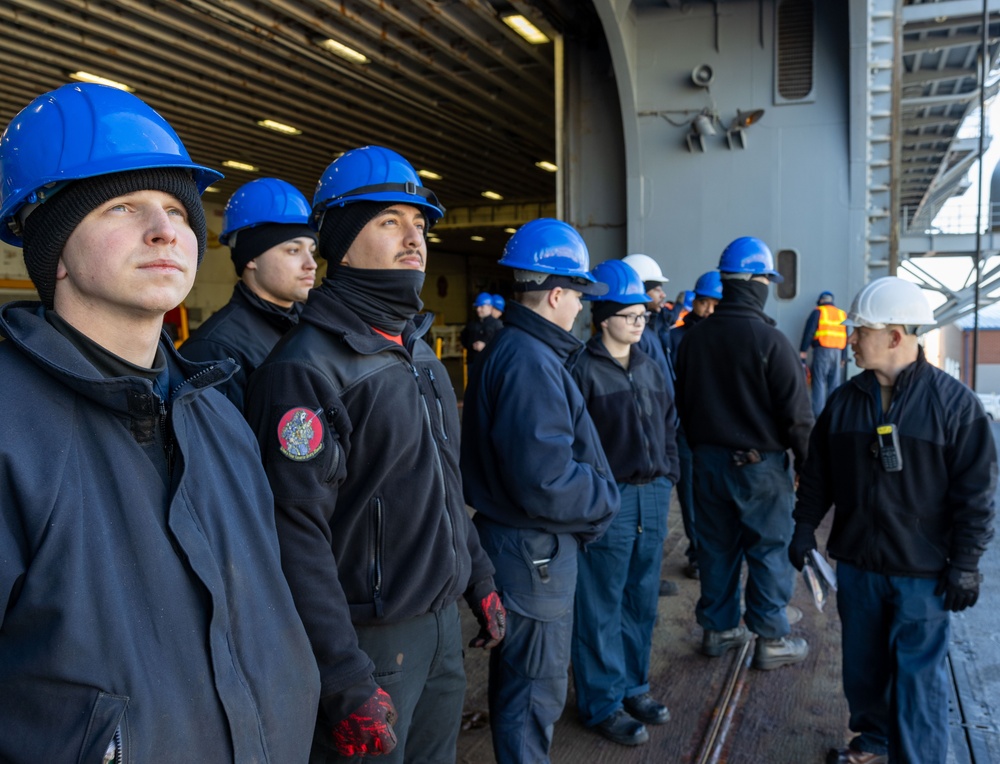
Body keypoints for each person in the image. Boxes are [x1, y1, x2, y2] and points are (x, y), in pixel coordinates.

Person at [0, 82, 319, 762]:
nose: (166, 228)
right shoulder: (10, 425)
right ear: (53, 247)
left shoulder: (214, 414)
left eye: (176, 208)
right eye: (123, 205)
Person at [243, 145, 504, 763]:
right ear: (339, 238)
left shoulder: (416, 352)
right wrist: (343, 675)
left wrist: (482, 579)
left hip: (441, 627)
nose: (413, 238)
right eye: (389, 221)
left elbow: (441, 484)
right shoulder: (305, 369)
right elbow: (293, 533)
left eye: (419, 225)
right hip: (371, 644)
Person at [790, 277, 996, 764]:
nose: (851, 339)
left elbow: (977, 494)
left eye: (860, 330)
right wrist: (803, 526)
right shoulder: (843, 402)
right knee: (863, 669)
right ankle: (874, 742)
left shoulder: (955, 406)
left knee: (918, 678)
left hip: (921, 571)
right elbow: (818, 475)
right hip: (859, 564)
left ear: (896, 336)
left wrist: (965, 562)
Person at [460, 218, 620, 764]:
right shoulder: (529, 361)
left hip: (521, 550)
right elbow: (545, 480)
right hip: (533, 554)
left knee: (523, 683)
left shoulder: (517, 350)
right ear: (556, 293)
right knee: (533, 692)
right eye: (577, 294)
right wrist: (605, 497)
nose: (580, 308)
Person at [674, 236, 813, 671]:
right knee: (770, 549)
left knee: (716, 548)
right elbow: (798, 418)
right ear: (756, 282)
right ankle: (771, 638)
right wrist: (807, 469)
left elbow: (684, 404)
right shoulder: (770, 341)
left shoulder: (692, 341)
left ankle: (718, 631)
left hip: (706, 465)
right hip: (760, 468)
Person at [569, 259, 679, 747]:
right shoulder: (581, 371)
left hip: (652, 496)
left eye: (643, 315)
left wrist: (667, 478)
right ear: (604, 318)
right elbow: (571, 444)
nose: (640, 322)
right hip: (608, 501)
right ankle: (601, 702)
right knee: (600, 604)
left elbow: (670, 428)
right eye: (631, 315)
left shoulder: (651, 366)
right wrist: (595, 496)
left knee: (641, 600)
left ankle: (634, 687)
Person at [182, 177, 318, 410]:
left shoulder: (312, 324)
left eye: (312, 251)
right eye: (294, 250)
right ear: (252, 258)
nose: (311, 264)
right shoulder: (214, 351)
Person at [666, 270, 723, 580]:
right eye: (704, 304)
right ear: (695, 302)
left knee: (720, 495)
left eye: (716, 305)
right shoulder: (676, 337)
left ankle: (717, 552)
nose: (710, 311)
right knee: (689, 497)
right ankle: (698, 553)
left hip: (718, 432)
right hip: (686, 431)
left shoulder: (727, 337)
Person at [800, 290, 848, 417]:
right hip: (838, 352)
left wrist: (803, 350)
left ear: (821, 300)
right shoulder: (841, 314)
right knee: (834, 383)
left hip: (822, 351)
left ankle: (818, 416)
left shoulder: (819, 311)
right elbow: (845, 336)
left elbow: (809, 332)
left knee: (819, 382)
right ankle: (833, 414)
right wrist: (843, 356)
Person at [459, 291, 502, 366]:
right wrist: (471, 345)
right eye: (477, 307)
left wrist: (486, 346)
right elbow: (464, 338)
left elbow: (501, 345)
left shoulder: (497, 325)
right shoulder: (472, 324)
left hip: (489, 365)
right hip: (473, 363)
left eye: (482, 307)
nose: (478, 309)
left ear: (490, 307)